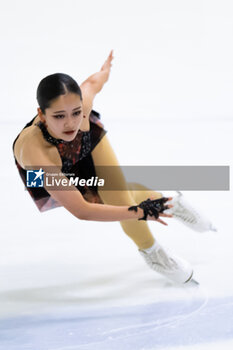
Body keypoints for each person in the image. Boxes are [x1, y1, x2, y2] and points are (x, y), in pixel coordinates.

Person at [13, 50, 215, 285]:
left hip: (85, 143)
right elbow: (83, 210)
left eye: (76, 112)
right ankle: (167, 204)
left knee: (116, 195)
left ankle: (153, 251)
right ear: (42, 114)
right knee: (105, 199)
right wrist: (141, 211)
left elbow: (92, 83)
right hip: (50, 166)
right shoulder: (36, 156)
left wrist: (105, 70)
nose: (70, 123)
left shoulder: (83, 114)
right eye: (59, 116)